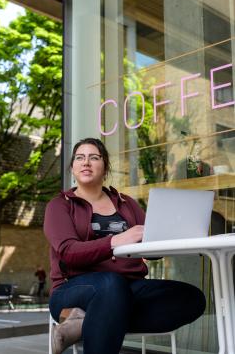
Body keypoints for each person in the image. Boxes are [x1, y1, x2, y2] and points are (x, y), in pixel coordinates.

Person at [44, 137, 206, 354]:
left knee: (191, 298)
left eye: (94, 157)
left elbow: (151, 244)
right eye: (80, 158)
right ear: (72, 167)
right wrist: (116, 240)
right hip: (71, 291)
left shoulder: (126, 203)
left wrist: (170, 236)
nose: (86, 163)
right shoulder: (59, 205)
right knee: (111, 285)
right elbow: (68, 253)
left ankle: (84, 323)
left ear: (105, 167)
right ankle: (97, 317)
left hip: (130, 286)